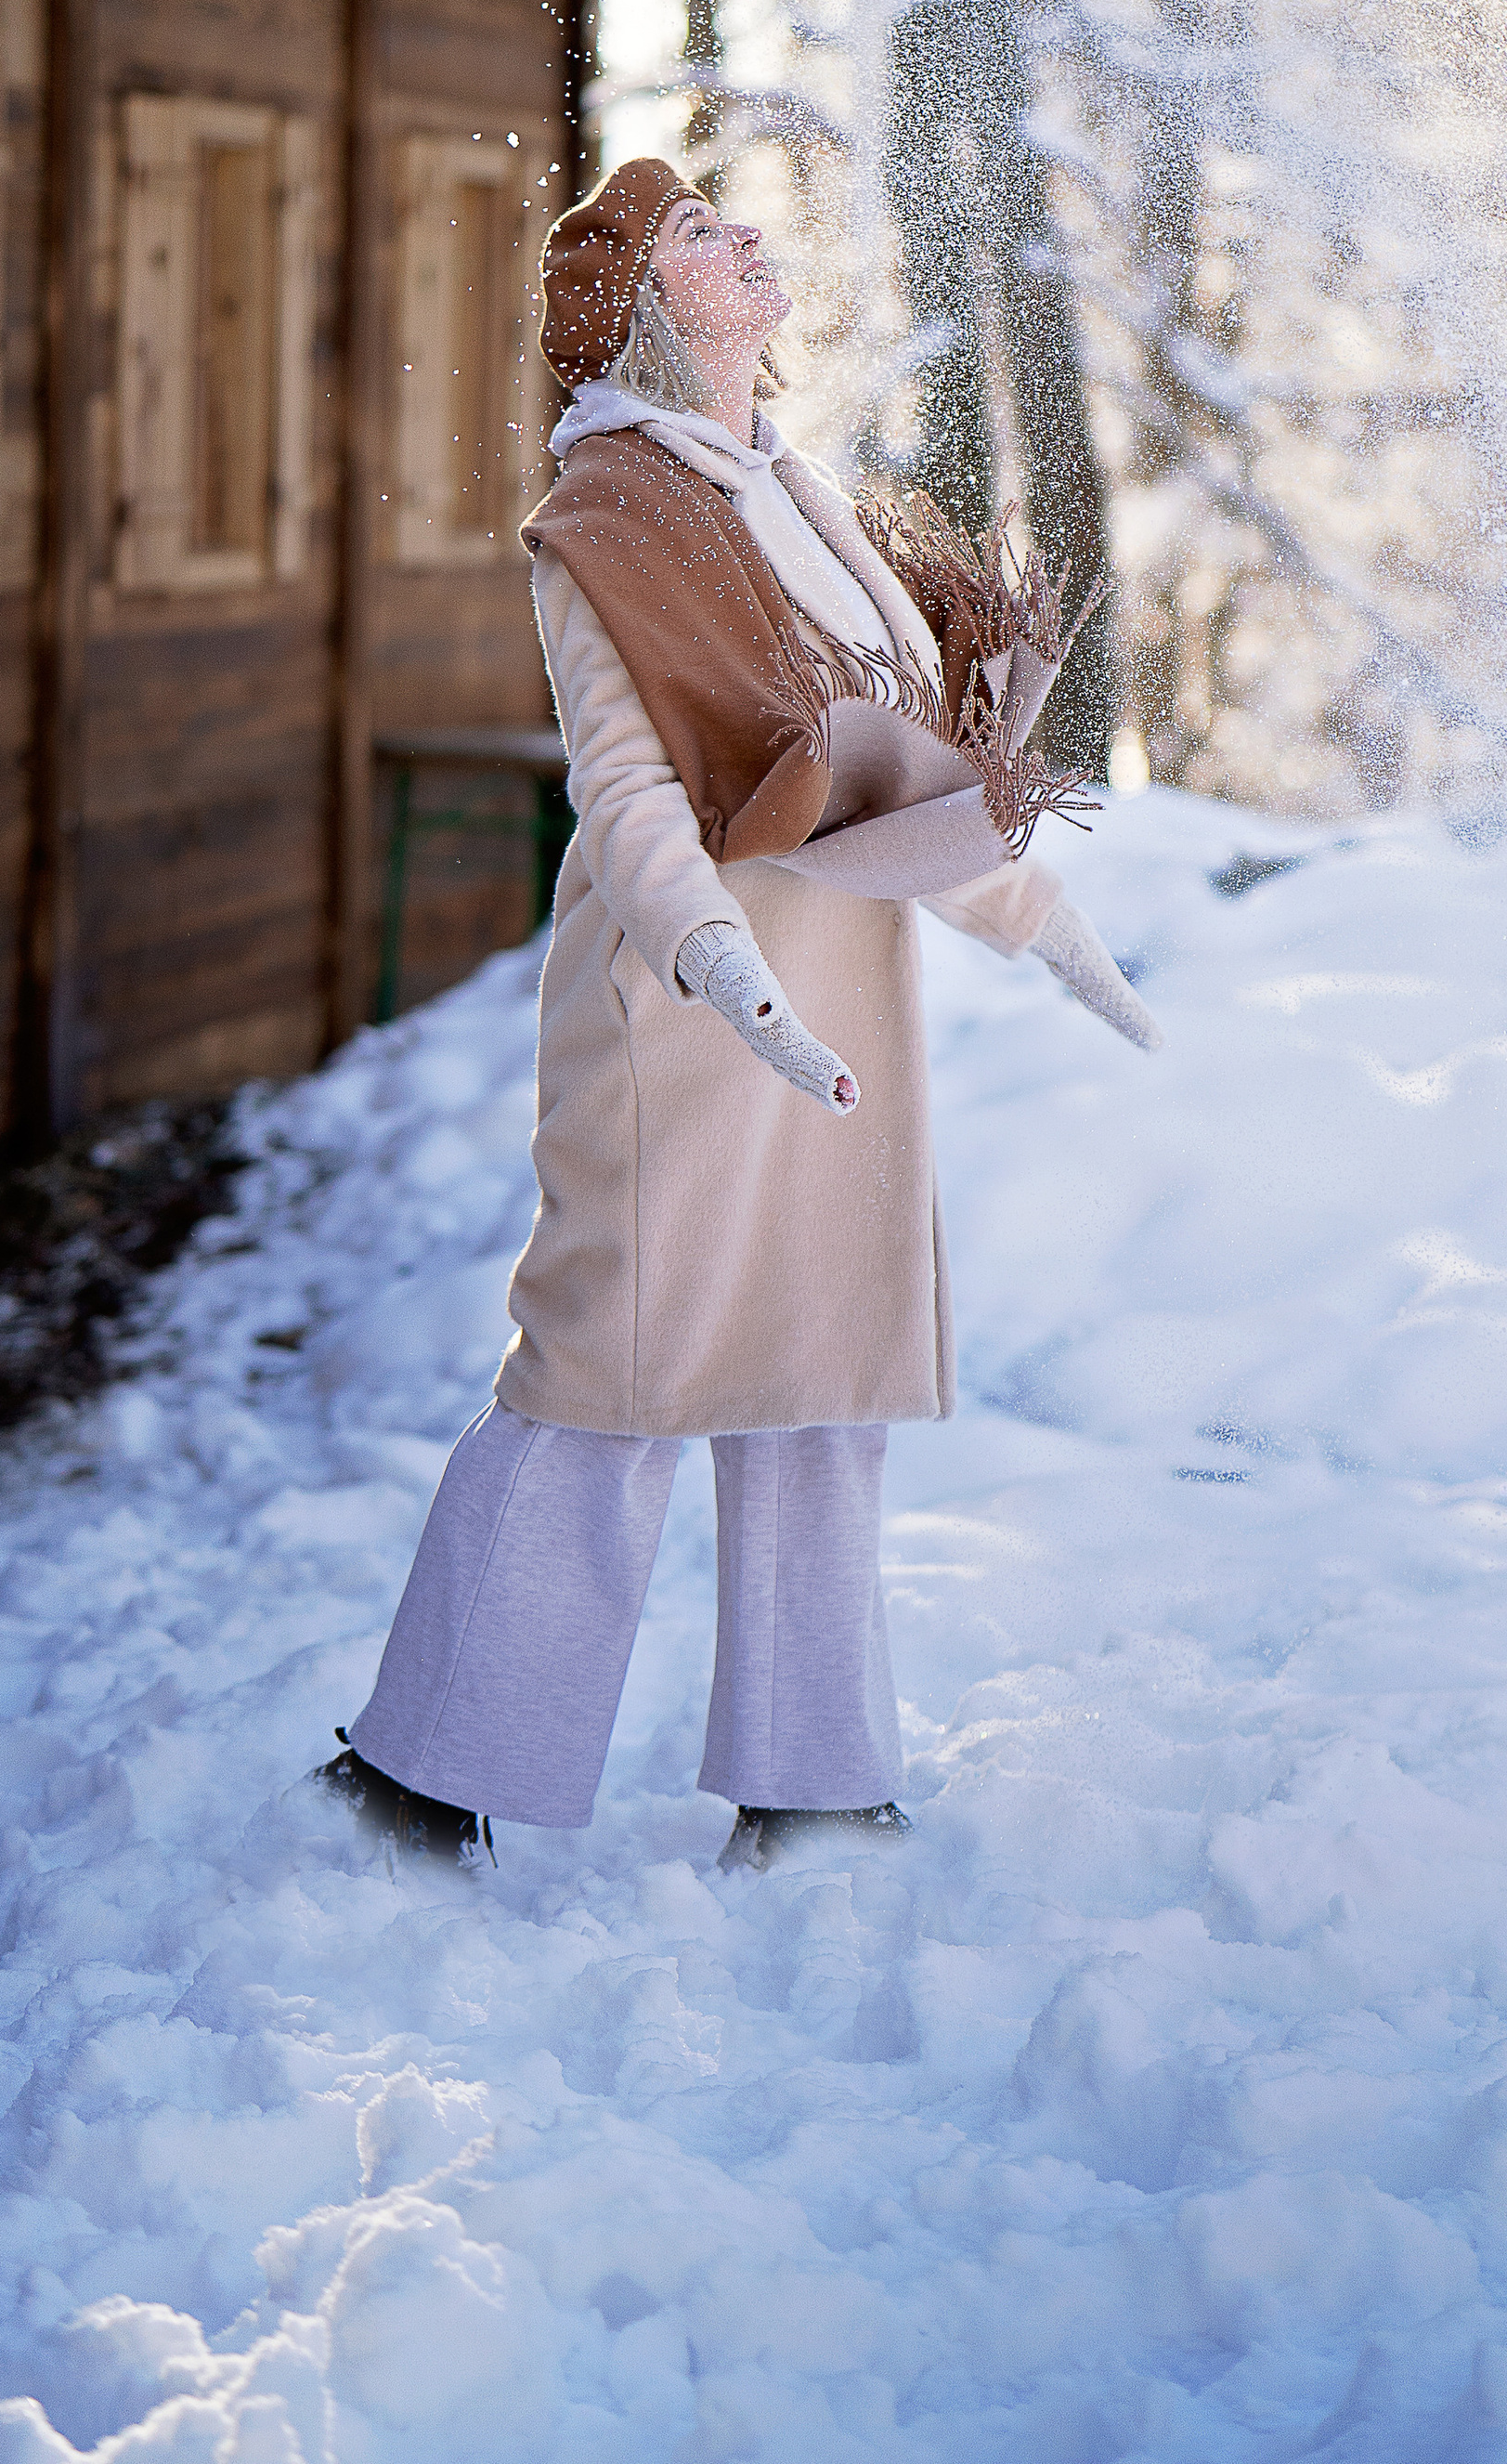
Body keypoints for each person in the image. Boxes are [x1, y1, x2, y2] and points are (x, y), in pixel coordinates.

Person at [318, 160, 1158, 1872]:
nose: (743, 237)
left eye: (730, 218)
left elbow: (876, 768)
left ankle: (817, 1780)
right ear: (636, 304)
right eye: (696, 233)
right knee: (607, 1374)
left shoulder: (792, 484)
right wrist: (723, 969)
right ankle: (417, 1773)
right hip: (688, 1006)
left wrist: (1036, 912)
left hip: (844, 981)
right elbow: (627, 801)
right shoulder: (607, 520)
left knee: (819, 1366)